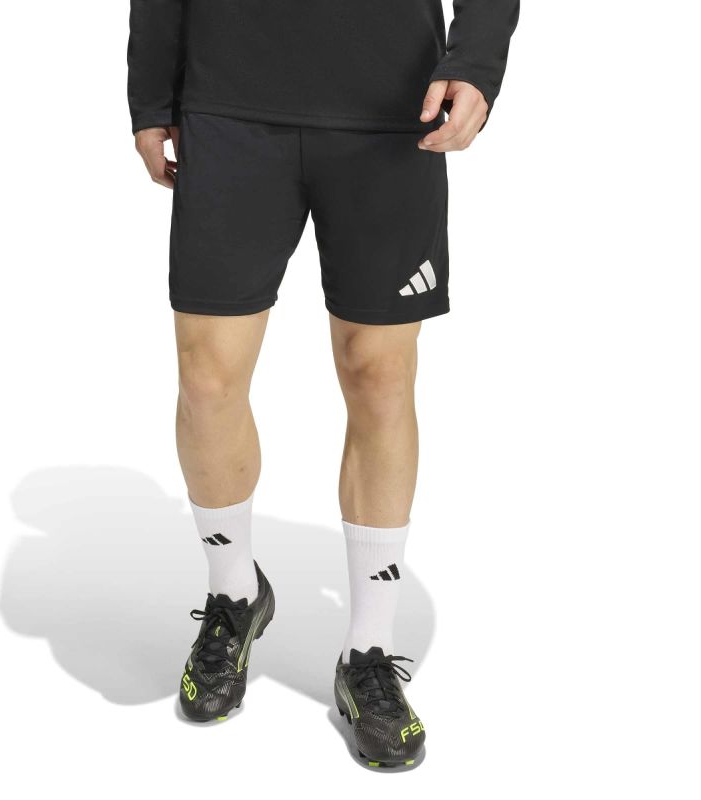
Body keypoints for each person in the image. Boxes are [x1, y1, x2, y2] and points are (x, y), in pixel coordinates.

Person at [127, 0, 518, 768]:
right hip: (228, 100)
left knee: (379, 376)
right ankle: (234, 593)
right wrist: (150, 93)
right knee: (207, 378)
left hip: (393, 108)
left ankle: (367, 650)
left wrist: (475, 61)